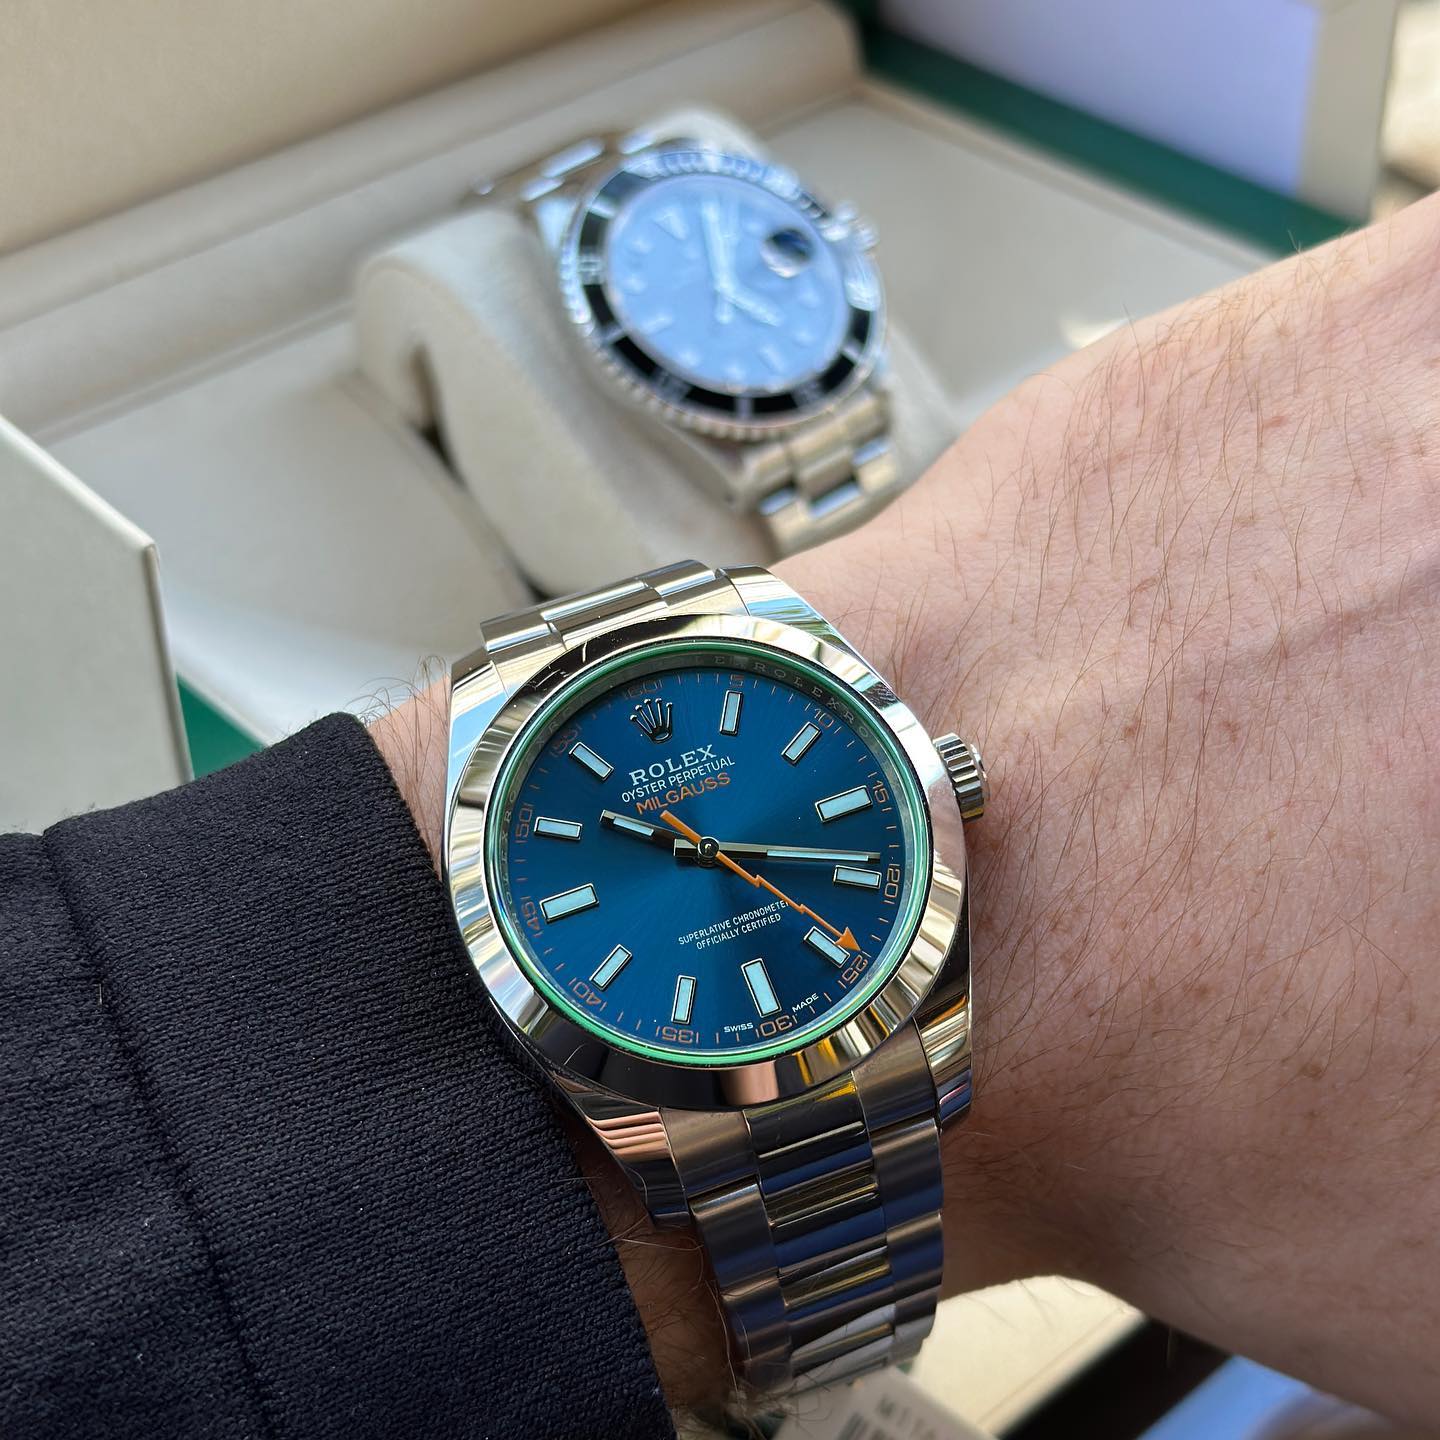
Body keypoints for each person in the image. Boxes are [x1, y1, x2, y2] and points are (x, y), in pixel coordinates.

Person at [5, 191, 1439, 1438]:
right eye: (679, 844)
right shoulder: (551, 941)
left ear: (939, 778)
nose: (699, 849)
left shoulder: (860, 836)